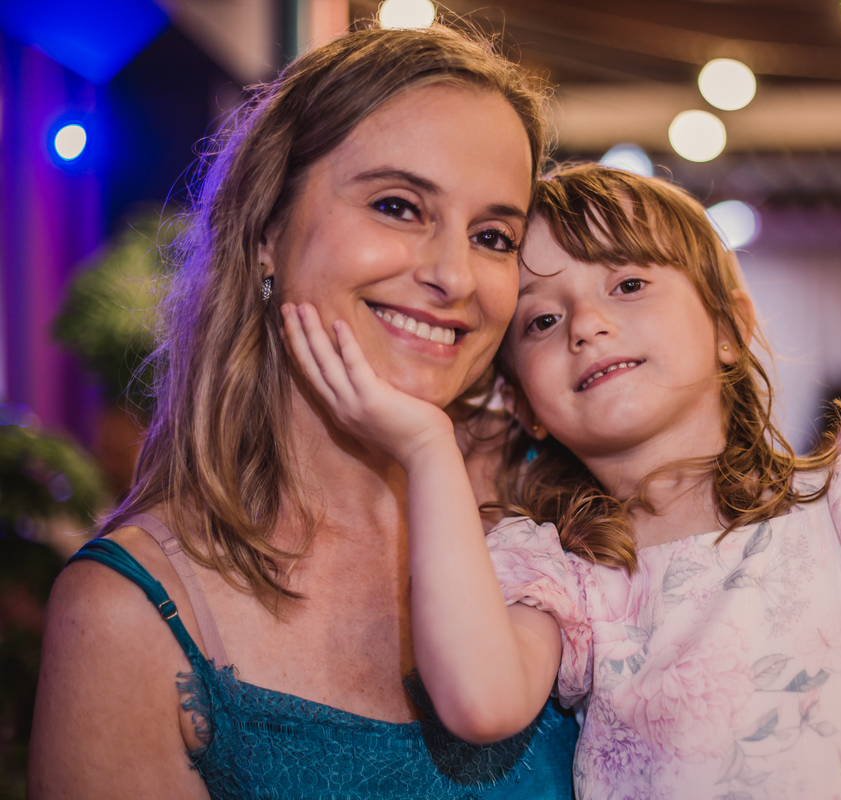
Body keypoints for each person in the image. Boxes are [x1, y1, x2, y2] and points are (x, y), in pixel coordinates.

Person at [282, 163, 841, 798]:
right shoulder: (568, 574)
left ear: (729, 329)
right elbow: (481, 702)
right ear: (523, 403)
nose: (586, 324)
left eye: (629, 283)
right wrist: (427, 448)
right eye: (541, 322)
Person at [29, 25, 578, 799]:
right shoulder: (130, 609)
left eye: (493, 236)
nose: (455, 276)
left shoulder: (559, 532)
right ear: (266, 233)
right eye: (398, 206)